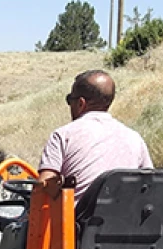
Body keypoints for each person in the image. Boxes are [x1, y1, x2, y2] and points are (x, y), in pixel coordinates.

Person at [38, 70, 153, 202]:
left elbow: (44, 184)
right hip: (127, 220)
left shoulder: (63, 136)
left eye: (70, 100)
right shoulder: (135, 138)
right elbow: (149, 183)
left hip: (77, 221)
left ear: (81, 103)